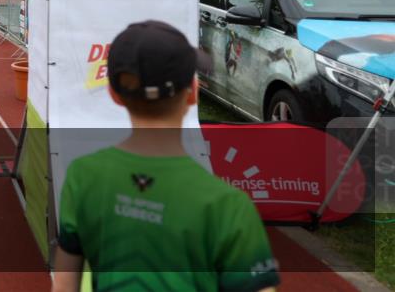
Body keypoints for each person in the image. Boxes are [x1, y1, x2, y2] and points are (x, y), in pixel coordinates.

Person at [51, 20, 280, 292]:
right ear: (193, 93)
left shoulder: (81, 175)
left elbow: (65, 282)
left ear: (114, 94)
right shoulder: (228, 205)